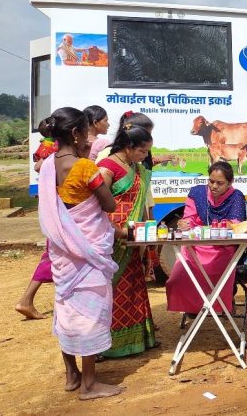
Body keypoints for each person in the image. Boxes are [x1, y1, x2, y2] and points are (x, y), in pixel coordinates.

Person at [37, 106, 123, 400]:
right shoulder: (85, 167)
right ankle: (89, 383)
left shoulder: (48, 165)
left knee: (67, 310)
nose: (89, 136)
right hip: (89, 250)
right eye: (86, 130)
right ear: (76, 133)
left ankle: (71, 374)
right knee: (91, 313)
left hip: (63, 250)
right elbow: (109, 205)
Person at [96, 112, 158, 357]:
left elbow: (140, 203)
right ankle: (106, 346)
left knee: (132, 287)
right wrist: (119, 231)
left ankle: (135, 341)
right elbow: (95, 208)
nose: (145, 157)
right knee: (111, 291)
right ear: (129, 147)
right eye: (142, 152)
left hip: (133, 238)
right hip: (113, 240)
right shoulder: (107, 167)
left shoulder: (135, 167)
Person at [166, 162, 246, 315]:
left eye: (220, 183)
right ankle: (192, 307)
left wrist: (215, 227)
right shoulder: (197, 193)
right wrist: (184, 224)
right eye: (211, 181)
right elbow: (189, 219)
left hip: (223, 248)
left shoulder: (236, 196)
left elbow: (236, 224)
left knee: (212, 270)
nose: (214, 186)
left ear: (230, 183)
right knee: (178, 276)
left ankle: (215, 304)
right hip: (195, 246)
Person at [15, 118, 58, 319]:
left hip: (50, 204)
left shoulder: (43, 146)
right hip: (58, 207)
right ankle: (26, 299)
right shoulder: (54, 150)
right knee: (52, 254)